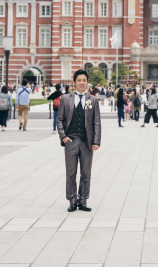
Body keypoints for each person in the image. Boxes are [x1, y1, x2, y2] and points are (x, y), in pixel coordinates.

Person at [57, 69, 101, 213]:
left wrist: (96, 141)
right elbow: (60, 120)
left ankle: (83, 200)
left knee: (86, 173)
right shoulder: (65, 99)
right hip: (71, 141)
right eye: (79, 80)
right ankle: (72, 200)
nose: (82, 83)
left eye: (84, 80)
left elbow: (96, 122)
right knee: (71, 173)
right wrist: (63, 136)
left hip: (87, 142)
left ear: (87, 83)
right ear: (74, 82)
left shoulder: (93, 100)